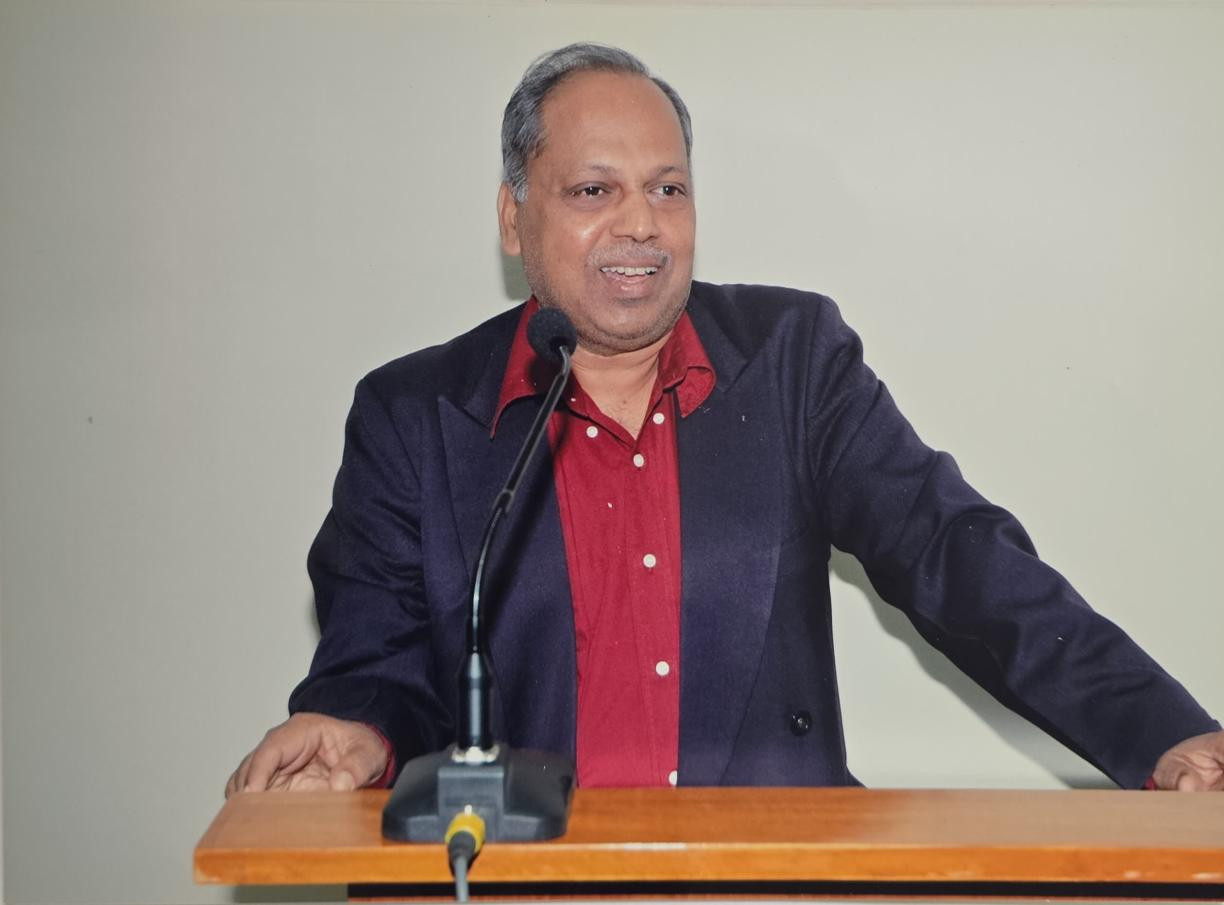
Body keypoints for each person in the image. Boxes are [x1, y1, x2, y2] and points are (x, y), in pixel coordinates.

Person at [226, 43, 1223, 798]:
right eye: (593, 190)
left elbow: (955, 556)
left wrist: (1163, 733)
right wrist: (353, 729)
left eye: (668, 188)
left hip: (764, 882)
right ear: (513, 217)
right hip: (524, 881)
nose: (640, 224)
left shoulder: (792, 359)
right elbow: (377, 663)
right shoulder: (413, 414)